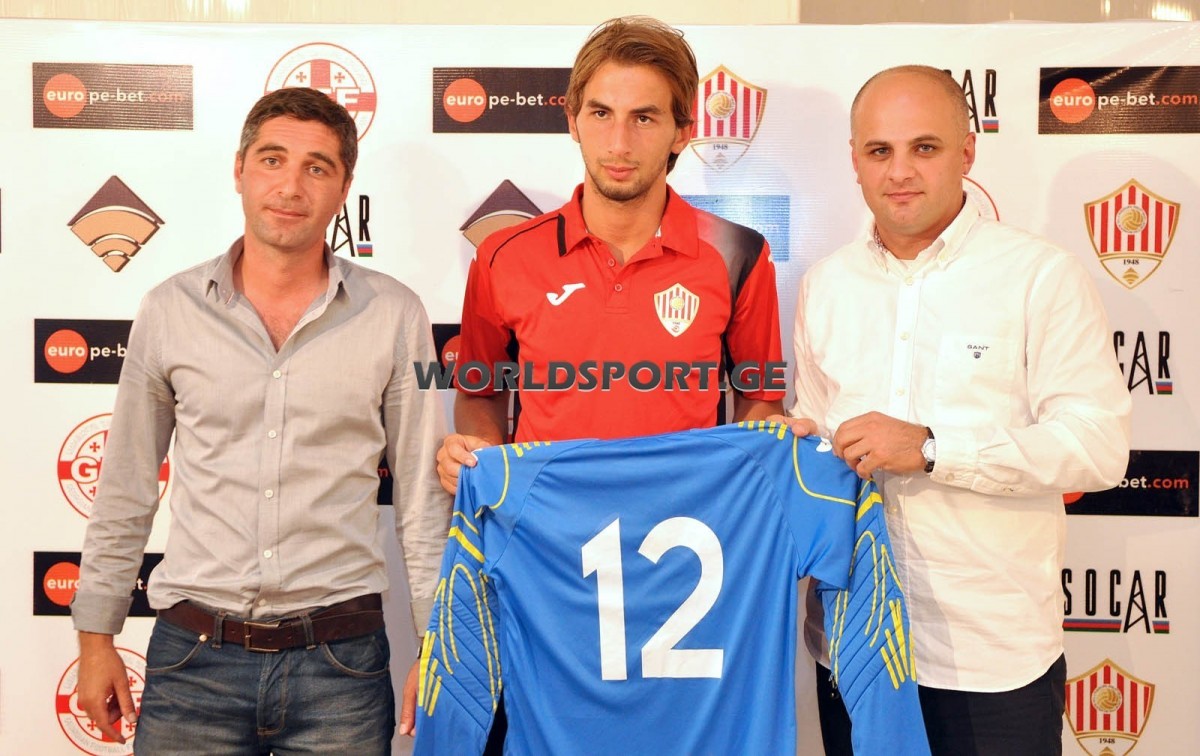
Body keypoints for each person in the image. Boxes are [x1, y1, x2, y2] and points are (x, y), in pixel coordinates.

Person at [70, 87, 452, 752]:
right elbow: (126, 484)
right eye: (273, 160)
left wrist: (435, 642)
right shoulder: (170, 309)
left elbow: (421, 499)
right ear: (240, 170)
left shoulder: (394, 315)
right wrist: (96, 637)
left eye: (316, 167)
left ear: (344, 189)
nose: (290, 186)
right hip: (193, 663)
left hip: (342, 667)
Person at [782, 65, 1132, 755]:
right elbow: (818, 435)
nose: (899, 171)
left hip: (990, 661)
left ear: (967, 151)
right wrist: (793, 449)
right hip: (853, 649)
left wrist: (935, 448)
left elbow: (1097, 447)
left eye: (925, 147)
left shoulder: (1041, 276)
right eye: (879, 150)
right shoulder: (826, 285)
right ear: (854, 159)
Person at [436, 16, 785, 496]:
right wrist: (481, 457)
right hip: (544, 527)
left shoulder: (738, 254)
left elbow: (760, 400)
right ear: (572, 120)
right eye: (601, 114)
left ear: (681, 132)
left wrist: (756, 460)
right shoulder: (503, 255)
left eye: (644, 118)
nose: (619, 144)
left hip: (685, 525)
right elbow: (481, 393)